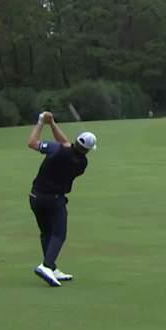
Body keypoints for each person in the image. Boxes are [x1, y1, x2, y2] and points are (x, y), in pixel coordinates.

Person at [27, 111, 97, 287]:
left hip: (35, 197)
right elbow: (66, 144)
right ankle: (46, 266)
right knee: (59, 234)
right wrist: (52, 123)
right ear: (87, 150)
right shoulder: (82, 164)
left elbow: (32, 143)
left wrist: (42, 122)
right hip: (54, 200)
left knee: (47, 233)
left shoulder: (56, 150)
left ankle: (51, 267)